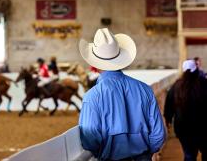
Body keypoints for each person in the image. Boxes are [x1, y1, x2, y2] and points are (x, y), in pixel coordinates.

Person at [78, 28, 166, 161]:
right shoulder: (145, 89)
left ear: (95, 63)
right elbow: (159, 134)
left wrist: (103, 152)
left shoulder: (92, 97)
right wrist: (147, 153)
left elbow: (89, 140)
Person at [164, 59, 207, 161]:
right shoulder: (204, 83)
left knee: (189, 155)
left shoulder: (176, 86)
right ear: (196, 69)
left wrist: (168, 120)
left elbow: (168, 106)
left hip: (183, 128)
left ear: (183, 71)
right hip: (203, 127)